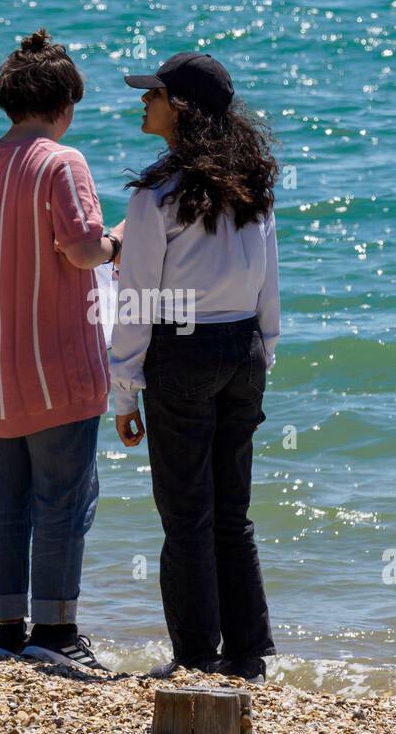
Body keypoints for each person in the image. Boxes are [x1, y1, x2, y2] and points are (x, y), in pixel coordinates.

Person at [0, 29, 122, 671]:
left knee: (3, 499)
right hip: (55, 371)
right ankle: (57, 628)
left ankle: (8, 626)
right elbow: (81, 249)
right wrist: (119, 245)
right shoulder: (61, 163)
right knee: (63, 498)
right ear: (64, 105)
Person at [112, 51, 280, 682]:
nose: (143, 101)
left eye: (152, 93)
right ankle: (248, 654)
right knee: (231, 515)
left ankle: (194, 659)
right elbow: (269, 283)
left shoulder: (157, 195)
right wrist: (263, 350)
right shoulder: (254, 184)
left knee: (186, 517)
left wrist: (123, 392)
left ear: (179, 107)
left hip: (182, 351)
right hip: (242, 348)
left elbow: (136, 301)